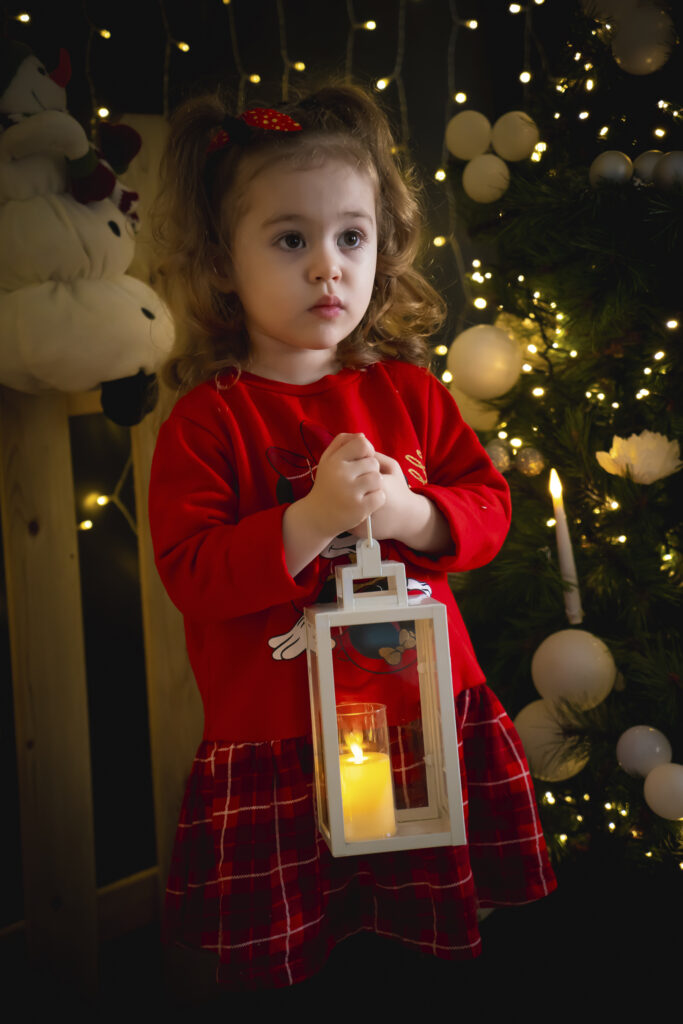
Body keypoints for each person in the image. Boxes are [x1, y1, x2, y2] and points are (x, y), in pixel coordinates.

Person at [148, 83, 556, 995]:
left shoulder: (408, 392)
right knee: (318, 961)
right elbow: (193, 574)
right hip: (281, 740)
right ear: (223, 260)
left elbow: (486, 509)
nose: (328, 267)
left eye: (351, 237)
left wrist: (409, 513)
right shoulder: (209, 422)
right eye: (291, 239)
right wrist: (312, 521)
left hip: (419, 718)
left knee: (421, 951)